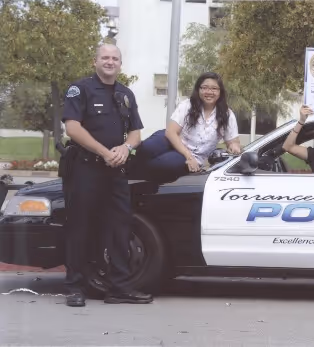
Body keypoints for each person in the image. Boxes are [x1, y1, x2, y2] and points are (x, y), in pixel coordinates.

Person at [60, 44, 152, 307]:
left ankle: (119, 288)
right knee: (80, 227)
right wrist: (104, 152)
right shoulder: (80, 89)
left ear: (120, 64)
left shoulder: (126, 94)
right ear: (95, 61)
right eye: (105, 58)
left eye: (115, 58)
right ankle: (74, 287)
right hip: (85, 168)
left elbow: (136, 133)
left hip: (115, 171)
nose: (110, 62)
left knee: (120, 228)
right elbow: (73, 129)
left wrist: (126, 148)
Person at [132, 72, 241, 181]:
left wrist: (234, 146)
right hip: (171, 140)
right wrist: (188, 156)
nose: (209, 92)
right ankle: (127, 162)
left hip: (192, 156)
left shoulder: (227, 114)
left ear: (220, 92)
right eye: (205, 88)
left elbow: (233, 141)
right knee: (147, 147)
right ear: (198, 89)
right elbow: (170, 132)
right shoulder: (188, 105)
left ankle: (131, 172)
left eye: (214, 88)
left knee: (165, 164)